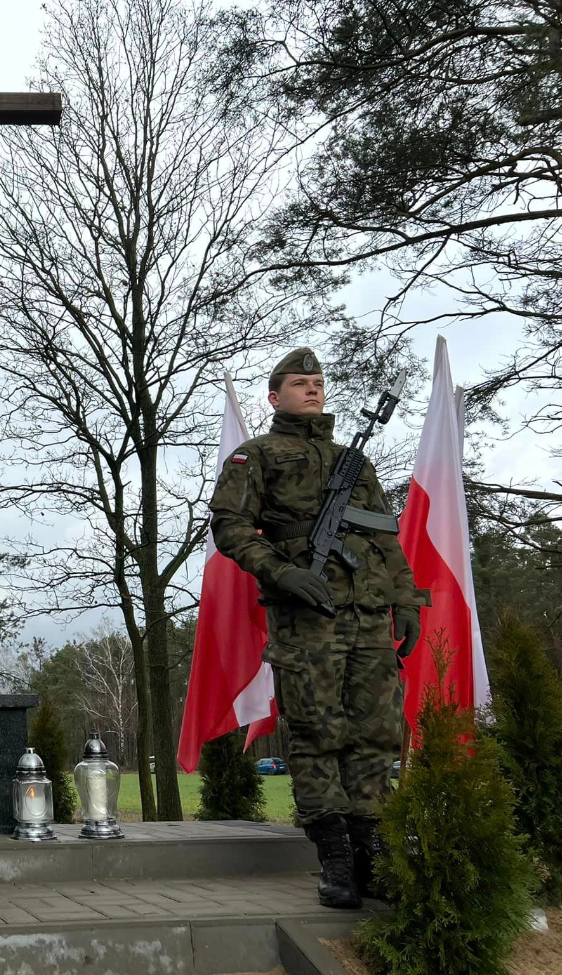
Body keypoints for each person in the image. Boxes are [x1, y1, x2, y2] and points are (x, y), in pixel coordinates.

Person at [208, 348, 427, 909]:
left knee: (375, 735)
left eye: (318, 382)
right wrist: (282, 572)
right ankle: (335, 859)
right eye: (300, 383)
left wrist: (406, 601)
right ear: (274, 396)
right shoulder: (256, 455)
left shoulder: (354, 462)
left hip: (369, 618)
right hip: (307, 619)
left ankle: (372, 854)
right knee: (316, 733)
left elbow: (385, 537)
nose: (312, 389)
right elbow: (230, 527)